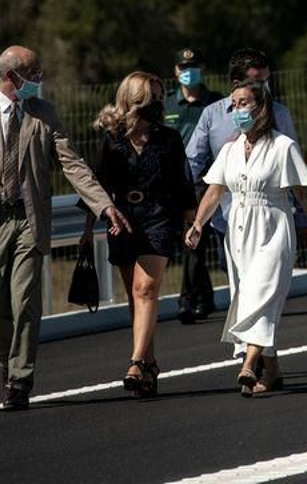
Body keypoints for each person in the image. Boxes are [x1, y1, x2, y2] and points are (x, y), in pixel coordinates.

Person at [0, 46, 128, 410]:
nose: (39, 80)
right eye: (34, 74)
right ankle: (8, 364)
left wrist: (103, 204)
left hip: (29, 219)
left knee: (24, 300)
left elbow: (72, 164)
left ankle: (19, 379)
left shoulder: (44, 115)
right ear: (12, 77)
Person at [186, 78, 307, 395]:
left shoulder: (283, 147)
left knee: (260, 296)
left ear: (261, 107)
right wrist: (197, 224)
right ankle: (272, 369)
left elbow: (303, 195)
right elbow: (215, 191)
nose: (238, 110)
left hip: (274, 228)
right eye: (234, 104)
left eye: (244, 103)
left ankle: (249, 364)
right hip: (238, 230)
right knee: (246, 295)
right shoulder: (230, 150)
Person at [86, 71, 197, 396]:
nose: (160, 103)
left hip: (160, 217)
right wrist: (87, 227)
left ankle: (135, 362)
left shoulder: (169, 138)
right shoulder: (111, 140)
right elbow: (98, 184)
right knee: (136, 296)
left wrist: (192, 221)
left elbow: (182, 182)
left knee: (146, 288)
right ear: (134, 100)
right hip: (123, 219)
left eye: (162, 97)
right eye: (153, 97)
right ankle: (150, 365)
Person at [163, 46, 222, 325]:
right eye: (184, 68)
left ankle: (187, 299)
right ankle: (204, 297)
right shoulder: (167, 105)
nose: (189, 73)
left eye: (194, 68)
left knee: (195, 241)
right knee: (191, 243)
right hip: (176, 180)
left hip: (208, 179)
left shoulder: (216, 102)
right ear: (175, 72)